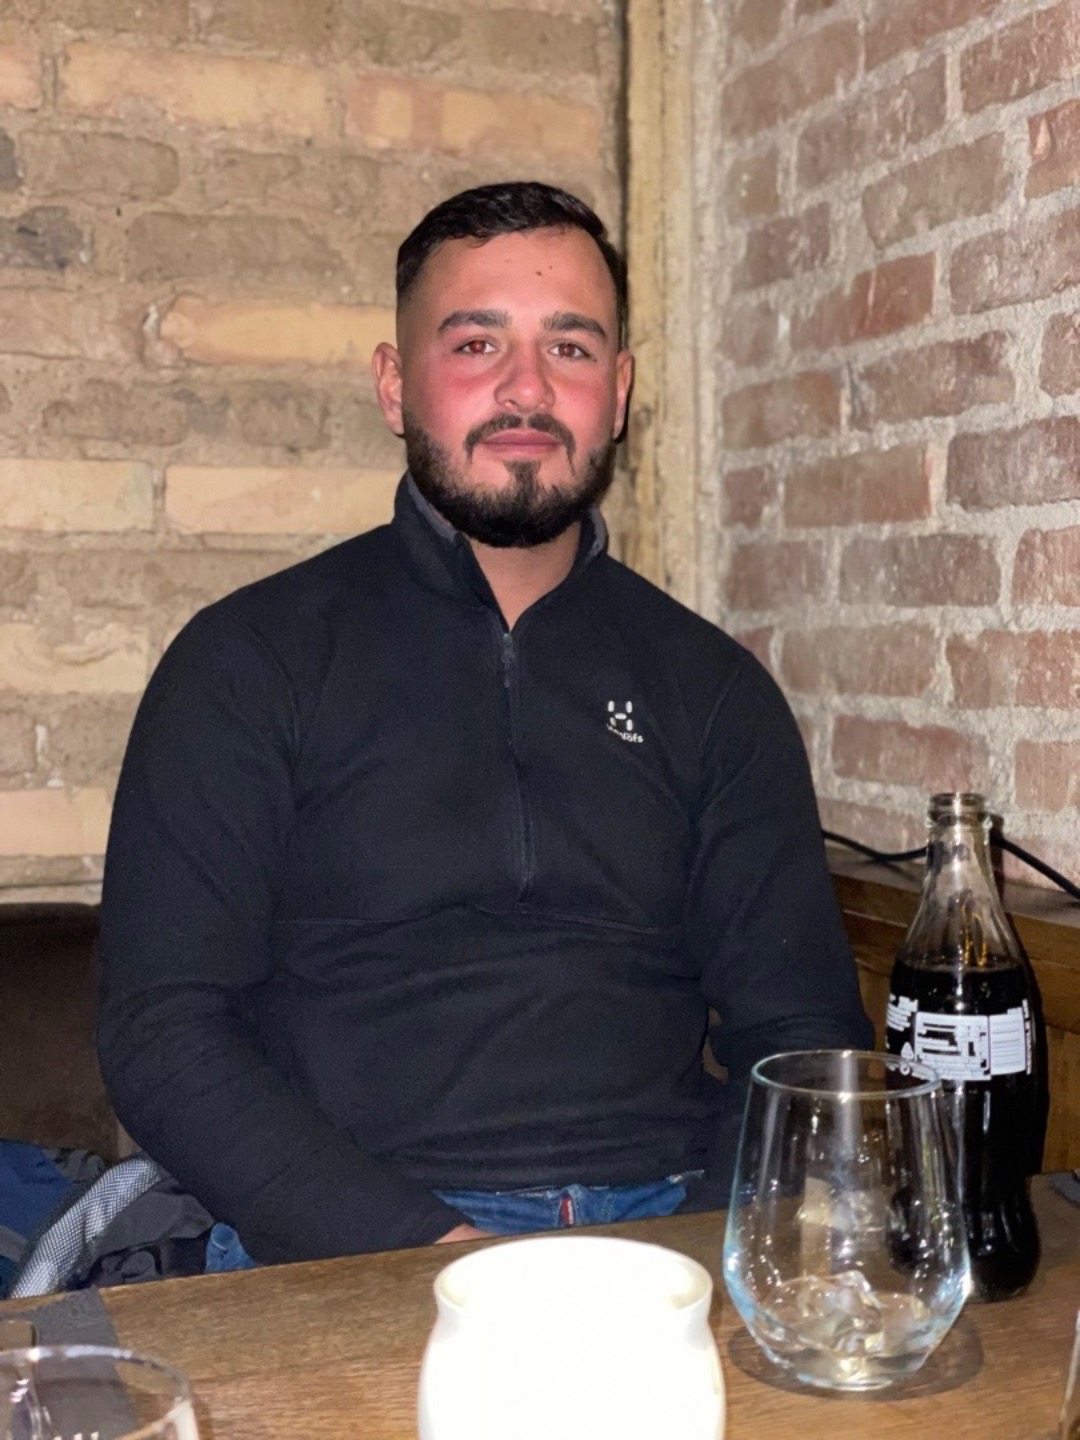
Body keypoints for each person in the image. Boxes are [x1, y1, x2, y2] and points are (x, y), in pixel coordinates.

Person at [98, 181, 872, 1267]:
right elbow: (163, 1037)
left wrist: (704, 1252)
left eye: (570, 347)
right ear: (393, 385)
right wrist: (439, 1253)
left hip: (668, 1233)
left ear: (618, 392)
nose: (527, 388)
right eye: (475, 344)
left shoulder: (713, 690)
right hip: (346, 1247)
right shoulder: (248, 663)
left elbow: (800, 1036)